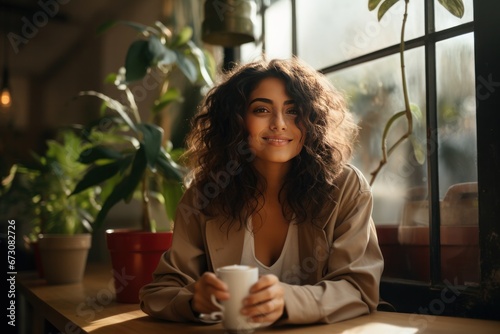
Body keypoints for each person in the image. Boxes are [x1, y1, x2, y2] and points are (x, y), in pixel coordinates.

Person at [139, 57, 384, 325]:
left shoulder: (346, 188)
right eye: (261, 110)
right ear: (237, 120)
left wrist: (288, 301)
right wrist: (195, 301)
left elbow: (359, 289)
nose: (279, 123)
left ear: (312, 120)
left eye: (293, 111)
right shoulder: (206, 192)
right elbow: (159, 293)